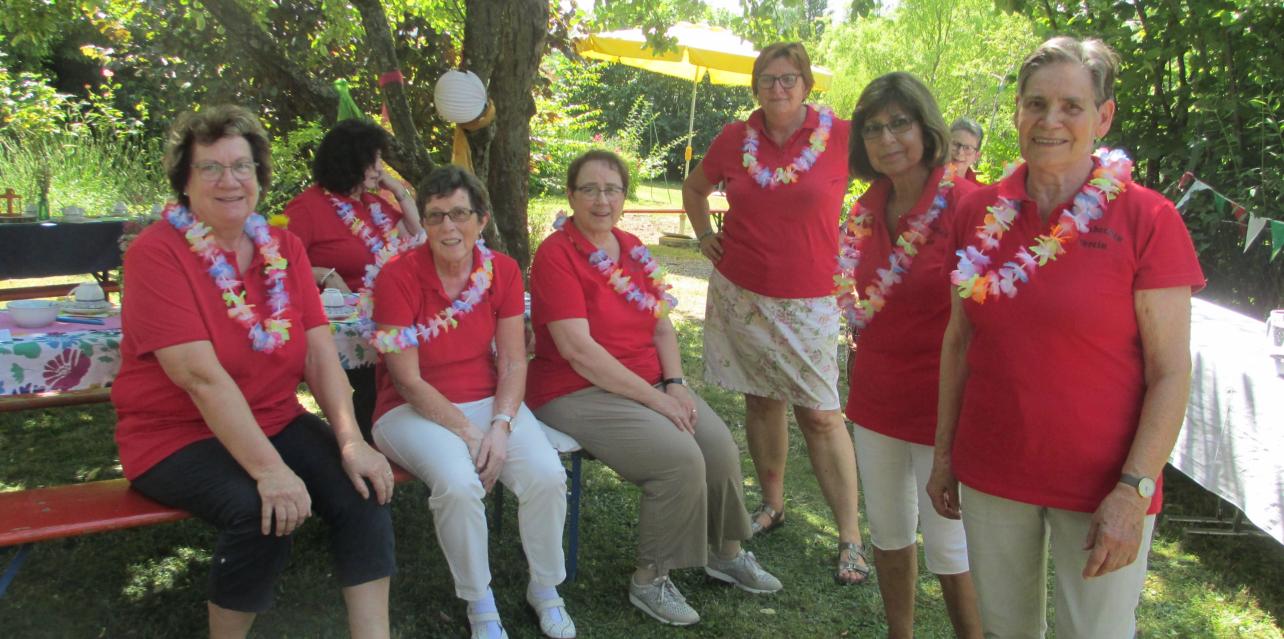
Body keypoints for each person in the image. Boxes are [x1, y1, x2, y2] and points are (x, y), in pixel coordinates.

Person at [927, 37, 1204, 638]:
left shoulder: (1148, 219)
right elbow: (958, 342)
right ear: (1018, 112)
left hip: (1106, 484)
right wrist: (944, 453)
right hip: (994, 468)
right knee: (1005, 631)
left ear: (1103, 117)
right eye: (1036, 103)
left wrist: (1134, 491)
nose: (1050, 120)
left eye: (1071, 106)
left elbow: (1171, 372)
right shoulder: (977, 213)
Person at [111, 104, 395, 639]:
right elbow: (200, 377)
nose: (229, 181)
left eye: (241, 166)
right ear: (185, 181)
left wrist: (352, 441)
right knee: (261, 510)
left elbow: (318, 355)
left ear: (260, 177)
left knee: (364, 488)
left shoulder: (282, 248)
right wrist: (270, 471)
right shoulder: (157, 254)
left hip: (274, 418)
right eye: (210, 168)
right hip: (173, 436)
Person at [530, 150, 782, 627]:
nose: (602, 200)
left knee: (718, 447)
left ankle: (725, 553)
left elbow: (661, 327)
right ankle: (650, 579)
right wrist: (657, 401)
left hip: (650, 382)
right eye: (589, 189)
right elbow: (578, 351)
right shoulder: (556, 254)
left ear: (625, 196)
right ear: (571, 195)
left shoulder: (634, 249)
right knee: (678, 458)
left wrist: (677, 385)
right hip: (574, 389)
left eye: (612, 189)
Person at [681, 41, 869, 584]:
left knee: (820, 413)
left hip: (810, 297)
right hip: (743, 291)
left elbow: (892, 179)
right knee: (761, 402)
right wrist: (702, 237)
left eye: (788, 78)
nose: (778, 87)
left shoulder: (842, 136)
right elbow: (696, 189)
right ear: (756, 86)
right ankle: (772, 504)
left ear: (807, 84)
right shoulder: (736, 139)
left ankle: (851, 537)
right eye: (767, 78)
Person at [369, 166, 574, 639]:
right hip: (408, 409)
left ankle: (544, 587)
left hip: (489, 400)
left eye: (459, 214)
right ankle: (480, 602)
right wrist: (468, 433)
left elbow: (513, 363)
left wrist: (501, 426)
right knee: (459, 484)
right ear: (423, 220)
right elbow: (406, 379)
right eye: (435, 215)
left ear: (481, 220)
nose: (447, 227)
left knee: (546, 474)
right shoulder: (397, 277)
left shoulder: (501, 270)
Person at [838, 72, 982, 639]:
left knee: (951, 546)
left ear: (927, 128)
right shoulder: (865, 209)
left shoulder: (969, 204)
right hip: (876, 399)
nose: (887, 137)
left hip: (945, 404)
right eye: (873, 128)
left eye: (900, 123)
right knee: (889, 531)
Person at [284, 118, 425, 441]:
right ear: (351, 162)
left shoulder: (374, 205)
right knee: (367, 388)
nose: (379, 168)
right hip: (337, 322)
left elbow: (418, 241)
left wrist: (400, 193)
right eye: (373, 161)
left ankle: (403, 441)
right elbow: (278, 265)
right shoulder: (307, 207)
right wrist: (324, 274)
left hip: (387, 313)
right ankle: (366, 450)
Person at [949, 117, 985, 184]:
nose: (960, 152)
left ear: (976, 156)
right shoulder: (925, 177)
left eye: (967, 148)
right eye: (955, 144)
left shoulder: (979, 192)